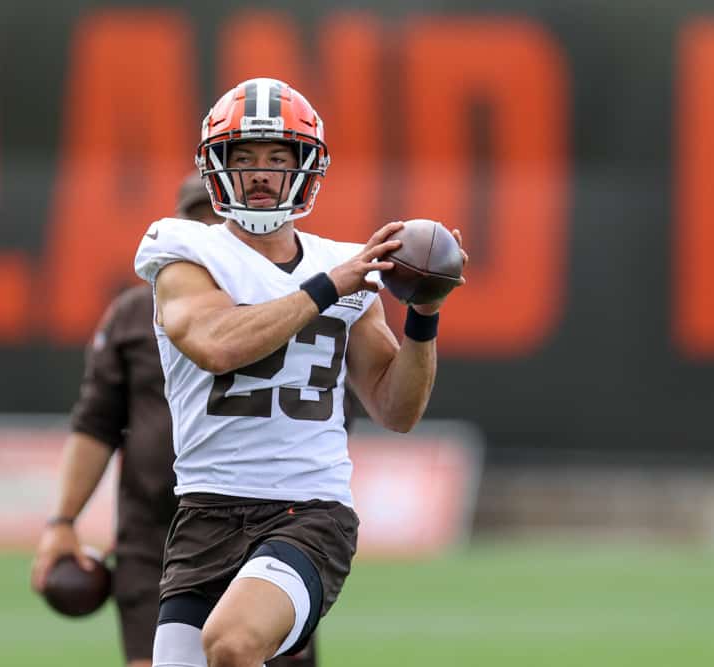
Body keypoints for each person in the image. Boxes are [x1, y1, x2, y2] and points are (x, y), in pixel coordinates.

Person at [134, 78, 467, 667]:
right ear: (217, 167)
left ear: (306, 168)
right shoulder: (184, 251)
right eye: (245, 158)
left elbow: (396, 408)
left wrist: (424, 315)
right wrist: (328, 288)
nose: (261, 173)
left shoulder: (341, 264)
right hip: (204, 512)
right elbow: (216, 344)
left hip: (307, 512)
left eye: (277, 158)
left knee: (233, 644)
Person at [30, 173, 320, 667]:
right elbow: (96, 425)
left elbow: (327, 414)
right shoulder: (132, 315)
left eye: (218, 219)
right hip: (157, 538)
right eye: (198, 220)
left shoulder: (290, 303)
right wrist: (63, 521)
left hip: (268, 523)